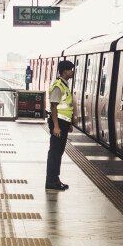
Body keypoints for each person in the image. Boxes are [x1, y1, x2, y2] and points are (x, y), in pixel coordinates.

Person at [46, 59, 76, 192]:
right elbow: (53, 107)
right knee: (55, 153)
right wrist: (56, 127)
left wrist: (68, 123)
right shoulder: (58, 86)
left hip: (63, 123)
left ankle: (55, 179)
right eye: (71, 69)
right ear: (65, 71)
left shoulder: (64, 84)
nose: (72, 72)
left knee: (58, 153)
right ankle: (51, 181)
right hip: (58, 123)